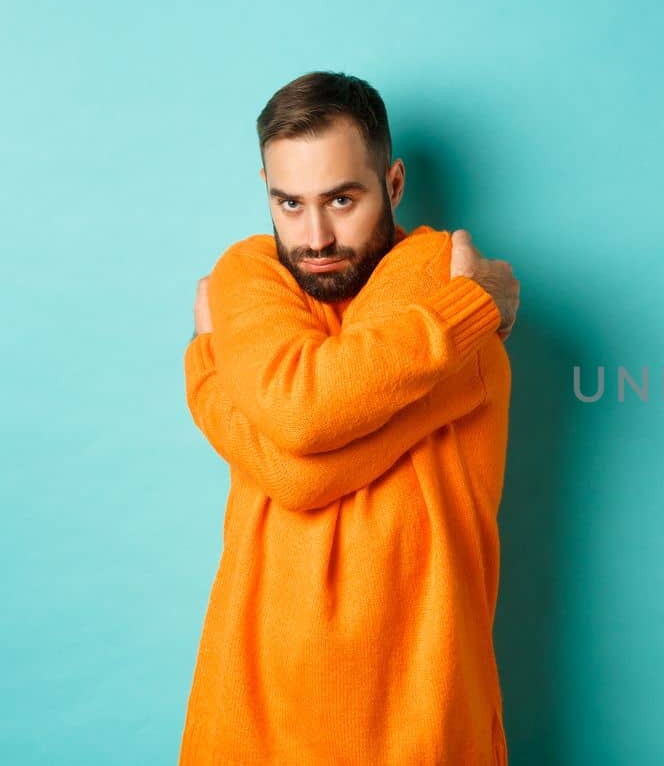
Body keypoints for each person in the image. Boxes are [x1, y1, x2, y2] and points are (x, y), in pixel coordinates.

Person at [178, 71, 521, 765]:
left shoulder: (439, 274)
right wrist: (209, 374)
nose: (316, 237)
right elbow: (306, 435)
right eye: (290, 204)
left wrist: (208, 365)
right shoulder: (250, 271)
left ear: (393, 186)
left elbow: (298, 446)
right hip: (245, 717)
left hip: (419, 726)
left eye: (342, 199)